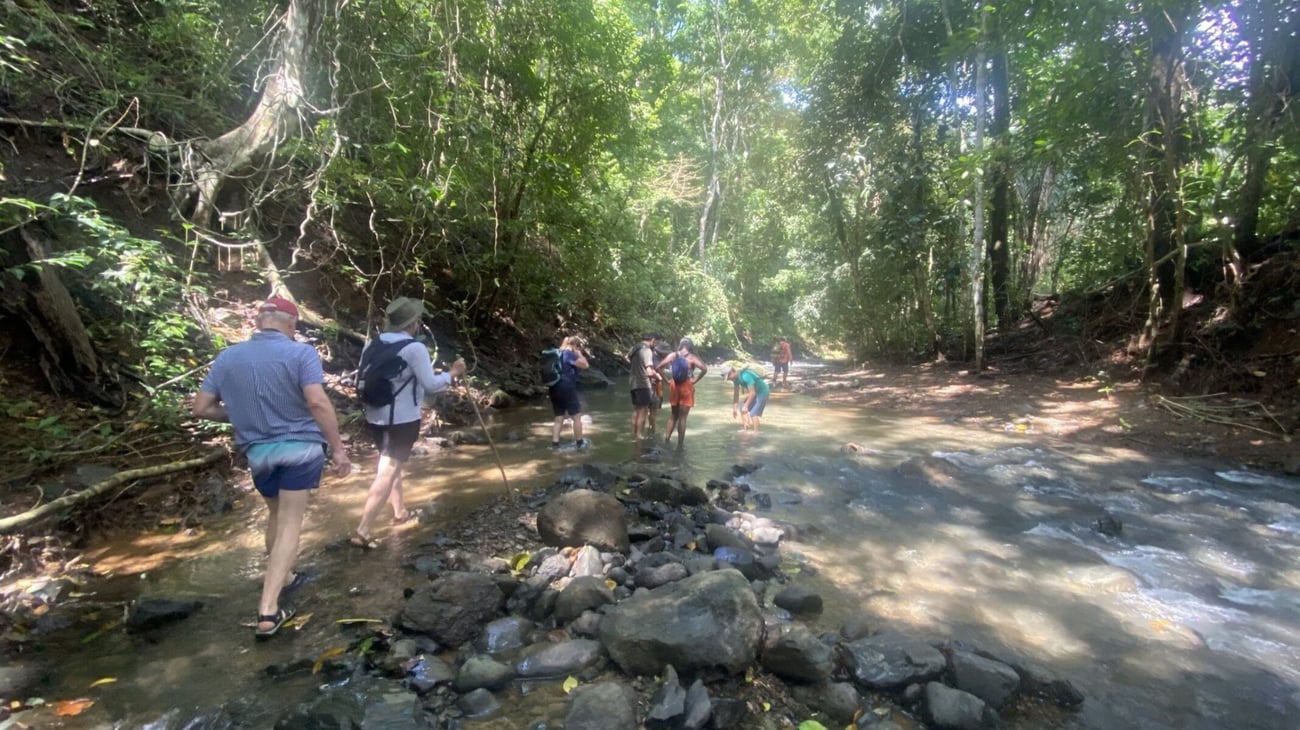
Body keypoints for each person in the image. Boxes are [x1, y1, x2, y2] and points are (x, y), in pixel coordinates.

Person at [191, 296, 352, 639]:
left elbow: (202, 408)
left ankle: (287, 576)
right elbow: (316, 401)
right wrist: (338, 449)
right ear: (291, 325)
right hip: (300, 448)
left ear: (259, 322)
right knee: (292, 523)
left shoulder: (227, 357)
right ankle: (268, 609)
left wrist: (237, 415)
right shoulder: (301, 353)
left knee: (275, 515)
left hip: (258, 453)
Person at [352, 296, 466, 549]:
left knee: (390, 464)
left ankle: (399, 512)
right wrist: (454, 373)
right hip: (401, 420)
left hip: (375, 416)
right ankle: (363, 529)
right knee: (389, 469)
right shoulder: (414, 348)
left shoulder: (374, 343)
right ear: (413, 323)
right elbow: (432, 385)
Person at [656, 338, 708, 448]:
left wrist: (667, 381)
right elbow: (704, 369)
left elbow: (658, 367)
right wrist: (695, 380)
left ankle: (667, 440)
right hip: (687, 386)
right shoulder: (692, 357)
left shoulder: (673, 355)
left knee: (673, 416)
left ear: (681, 346)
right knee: (683, 417)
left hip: (674, 386)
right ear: (690, 347)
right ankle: (680, 445)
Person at [549, 335, 590, 448]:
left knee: (558, 418)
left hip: (554, 388)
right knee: (576, 417)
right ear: (575, 345)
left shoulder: (556, 354)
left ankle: (555, 444)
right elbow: (585, 365)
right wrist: (578, 353)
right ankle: (580, 442)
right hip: (567, 387)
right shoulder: (569, 354)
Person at [626, 332, 661, 441]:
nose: (655, 344)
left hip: (633, 382)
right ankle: (639, 436)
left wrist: (636, 367)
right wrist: (658, 376)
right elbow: (649, 372)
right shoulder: (647, 350)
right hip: (643, 383)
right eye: (656, 342)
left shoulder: (635, 347)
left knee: (636, 410)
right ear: (653, 340)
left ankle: (633, 433)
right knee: (643, 411)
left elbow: (626, 357)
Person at [724, 364, 771, 432]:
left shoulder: (745, 376)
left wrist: (746, 406)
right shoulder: (736, 380)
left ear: (733, 371)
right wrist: (734, 408)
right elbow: (736, 394)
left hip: (762, 392)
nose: (729, 379)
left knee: (753, 413)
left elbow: (752, 392)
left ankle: (756, 432)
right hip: (755, 392)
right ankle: (746, 429)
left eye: (728, 376)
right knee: (741, 408)